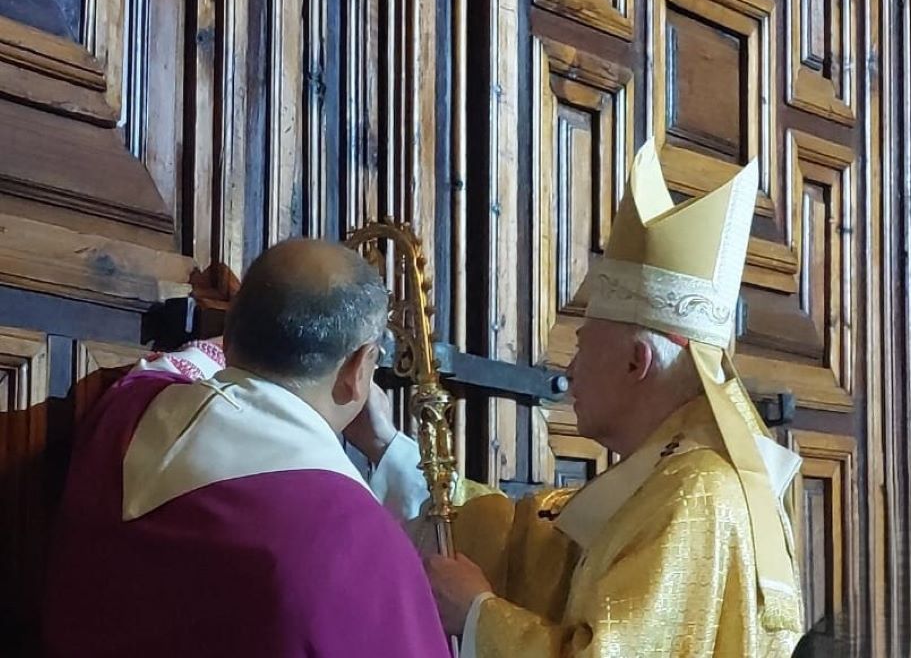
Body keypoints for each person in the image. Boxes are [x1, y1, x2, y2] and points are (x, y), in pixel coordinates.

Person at [355, 141, 805, 656]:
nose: (568, 371)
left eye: (583, 346)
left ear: (638, 362)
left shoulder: (695, 493)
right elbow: (525, 538)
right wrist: (387, 444)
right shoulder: (670, 478)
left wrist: (478, 612)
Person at [43, 240, 449, 658]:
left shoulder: (130, 412)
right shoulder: (362, 548)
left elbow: (180, 365)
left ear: (231, 335)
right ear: (359, 367)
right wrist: (385, 444)